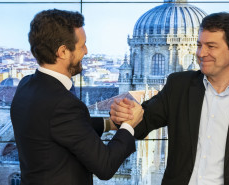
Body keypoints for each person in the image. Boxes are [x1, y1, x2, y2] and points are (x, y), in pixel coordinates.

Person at [110, 12, 229, 185]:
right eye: (198, 45)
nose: (201, 53)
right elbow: (142, 123)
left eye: (211, 46)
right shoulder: (178, 86)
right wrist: (124, 115)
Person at [10, 9, 143, 185]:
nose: (87, 51)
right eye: (82, 45)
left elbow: (58, 126)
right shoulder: (63, 104)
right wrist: (128, 126)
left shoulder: (26, 85)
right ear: (63, 52)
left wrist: (110, 123)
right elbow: (105, 166)